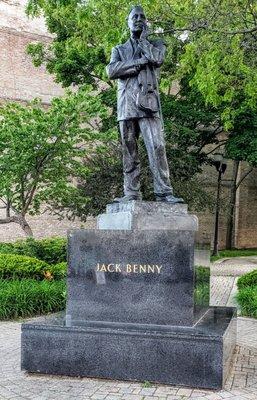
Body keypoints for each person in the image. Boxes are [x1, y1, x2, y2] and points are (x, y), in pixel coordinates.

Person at [106, 5, 184, 204]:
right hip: (126, 105)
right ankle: (131, 192)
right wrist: (139, 62)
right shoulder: (119, 49)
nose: (139, 19)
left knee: (157, 146)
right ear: (128, 21)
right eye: (135, 16)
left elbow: (157, 59)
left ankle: (164, 192)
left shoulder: (156, 44)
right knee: (129, 151)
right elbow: (112, 71)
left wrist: (142, 41)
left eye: (142, 16)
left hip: (149, 104)